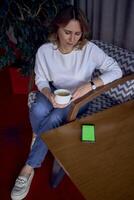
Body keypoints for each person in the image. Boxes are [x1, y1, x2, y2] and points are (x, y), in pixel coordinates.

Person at [11, 5, 122, 200]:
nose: (72, 39)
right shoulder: (45, 51)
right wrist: (47, 93)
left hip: (79, 97)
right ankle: (43, 137)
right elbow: (41, 80)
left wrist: (90, 85)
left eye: (77, 33)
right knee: (38, 108)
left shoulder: (89, 49)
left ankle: (29, 166)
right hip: (54, 91)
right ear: (57, 29)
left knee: (54, 117)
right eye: (67, 32)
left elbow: (116, 70)